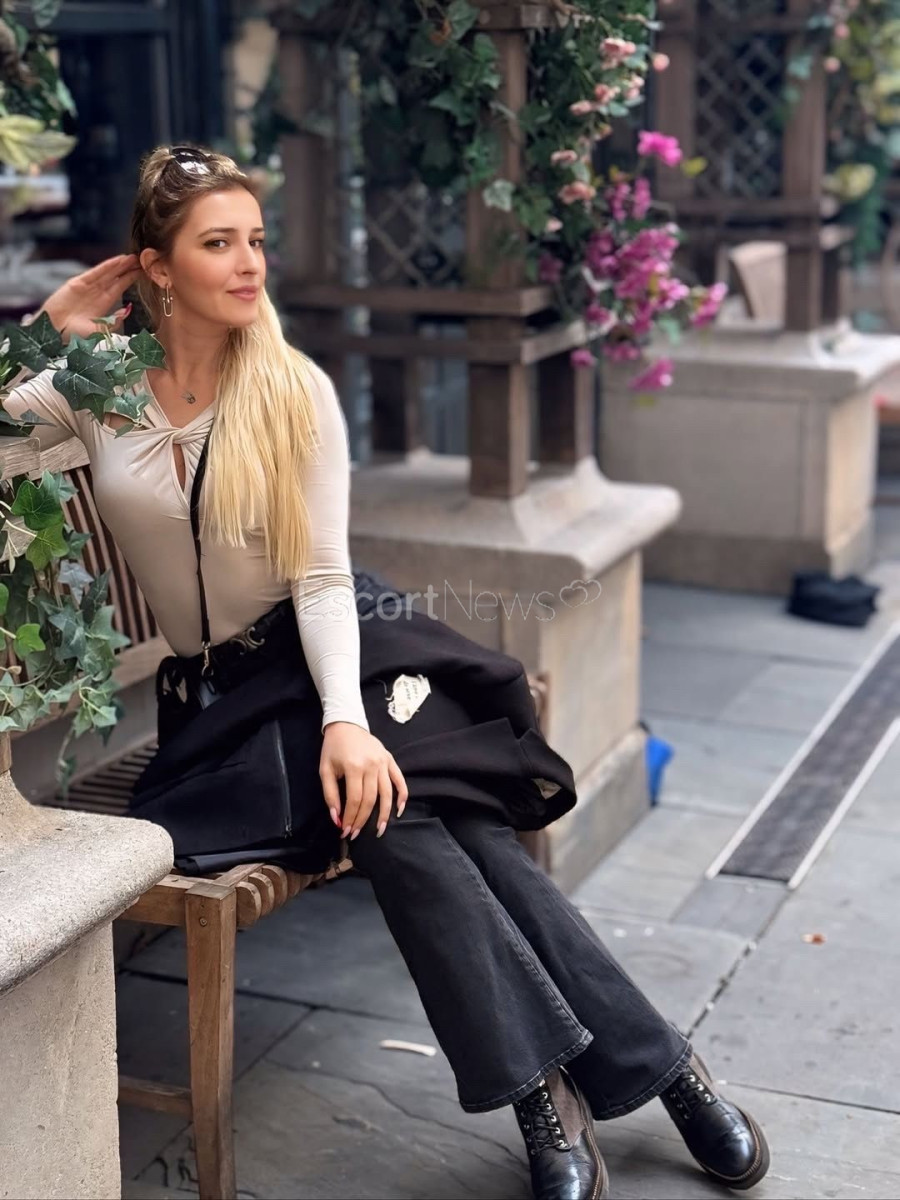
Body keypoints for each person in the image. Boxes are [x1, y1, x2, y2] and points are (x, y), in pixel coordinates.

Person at [1, 144, 770, 1199]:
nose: (249, 262)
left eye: (256, 239)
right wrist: (46, 334)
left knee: (384, 801)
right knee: (427, 817)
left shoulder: (294, 390)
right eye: (218, 243)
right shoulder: (95, 391)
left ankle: (545, 1100)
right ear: (158, 269)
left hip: (336, 661)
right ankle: (665, 1071)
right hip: (221, 716)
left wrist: (343, 721)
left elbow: (321, 578)